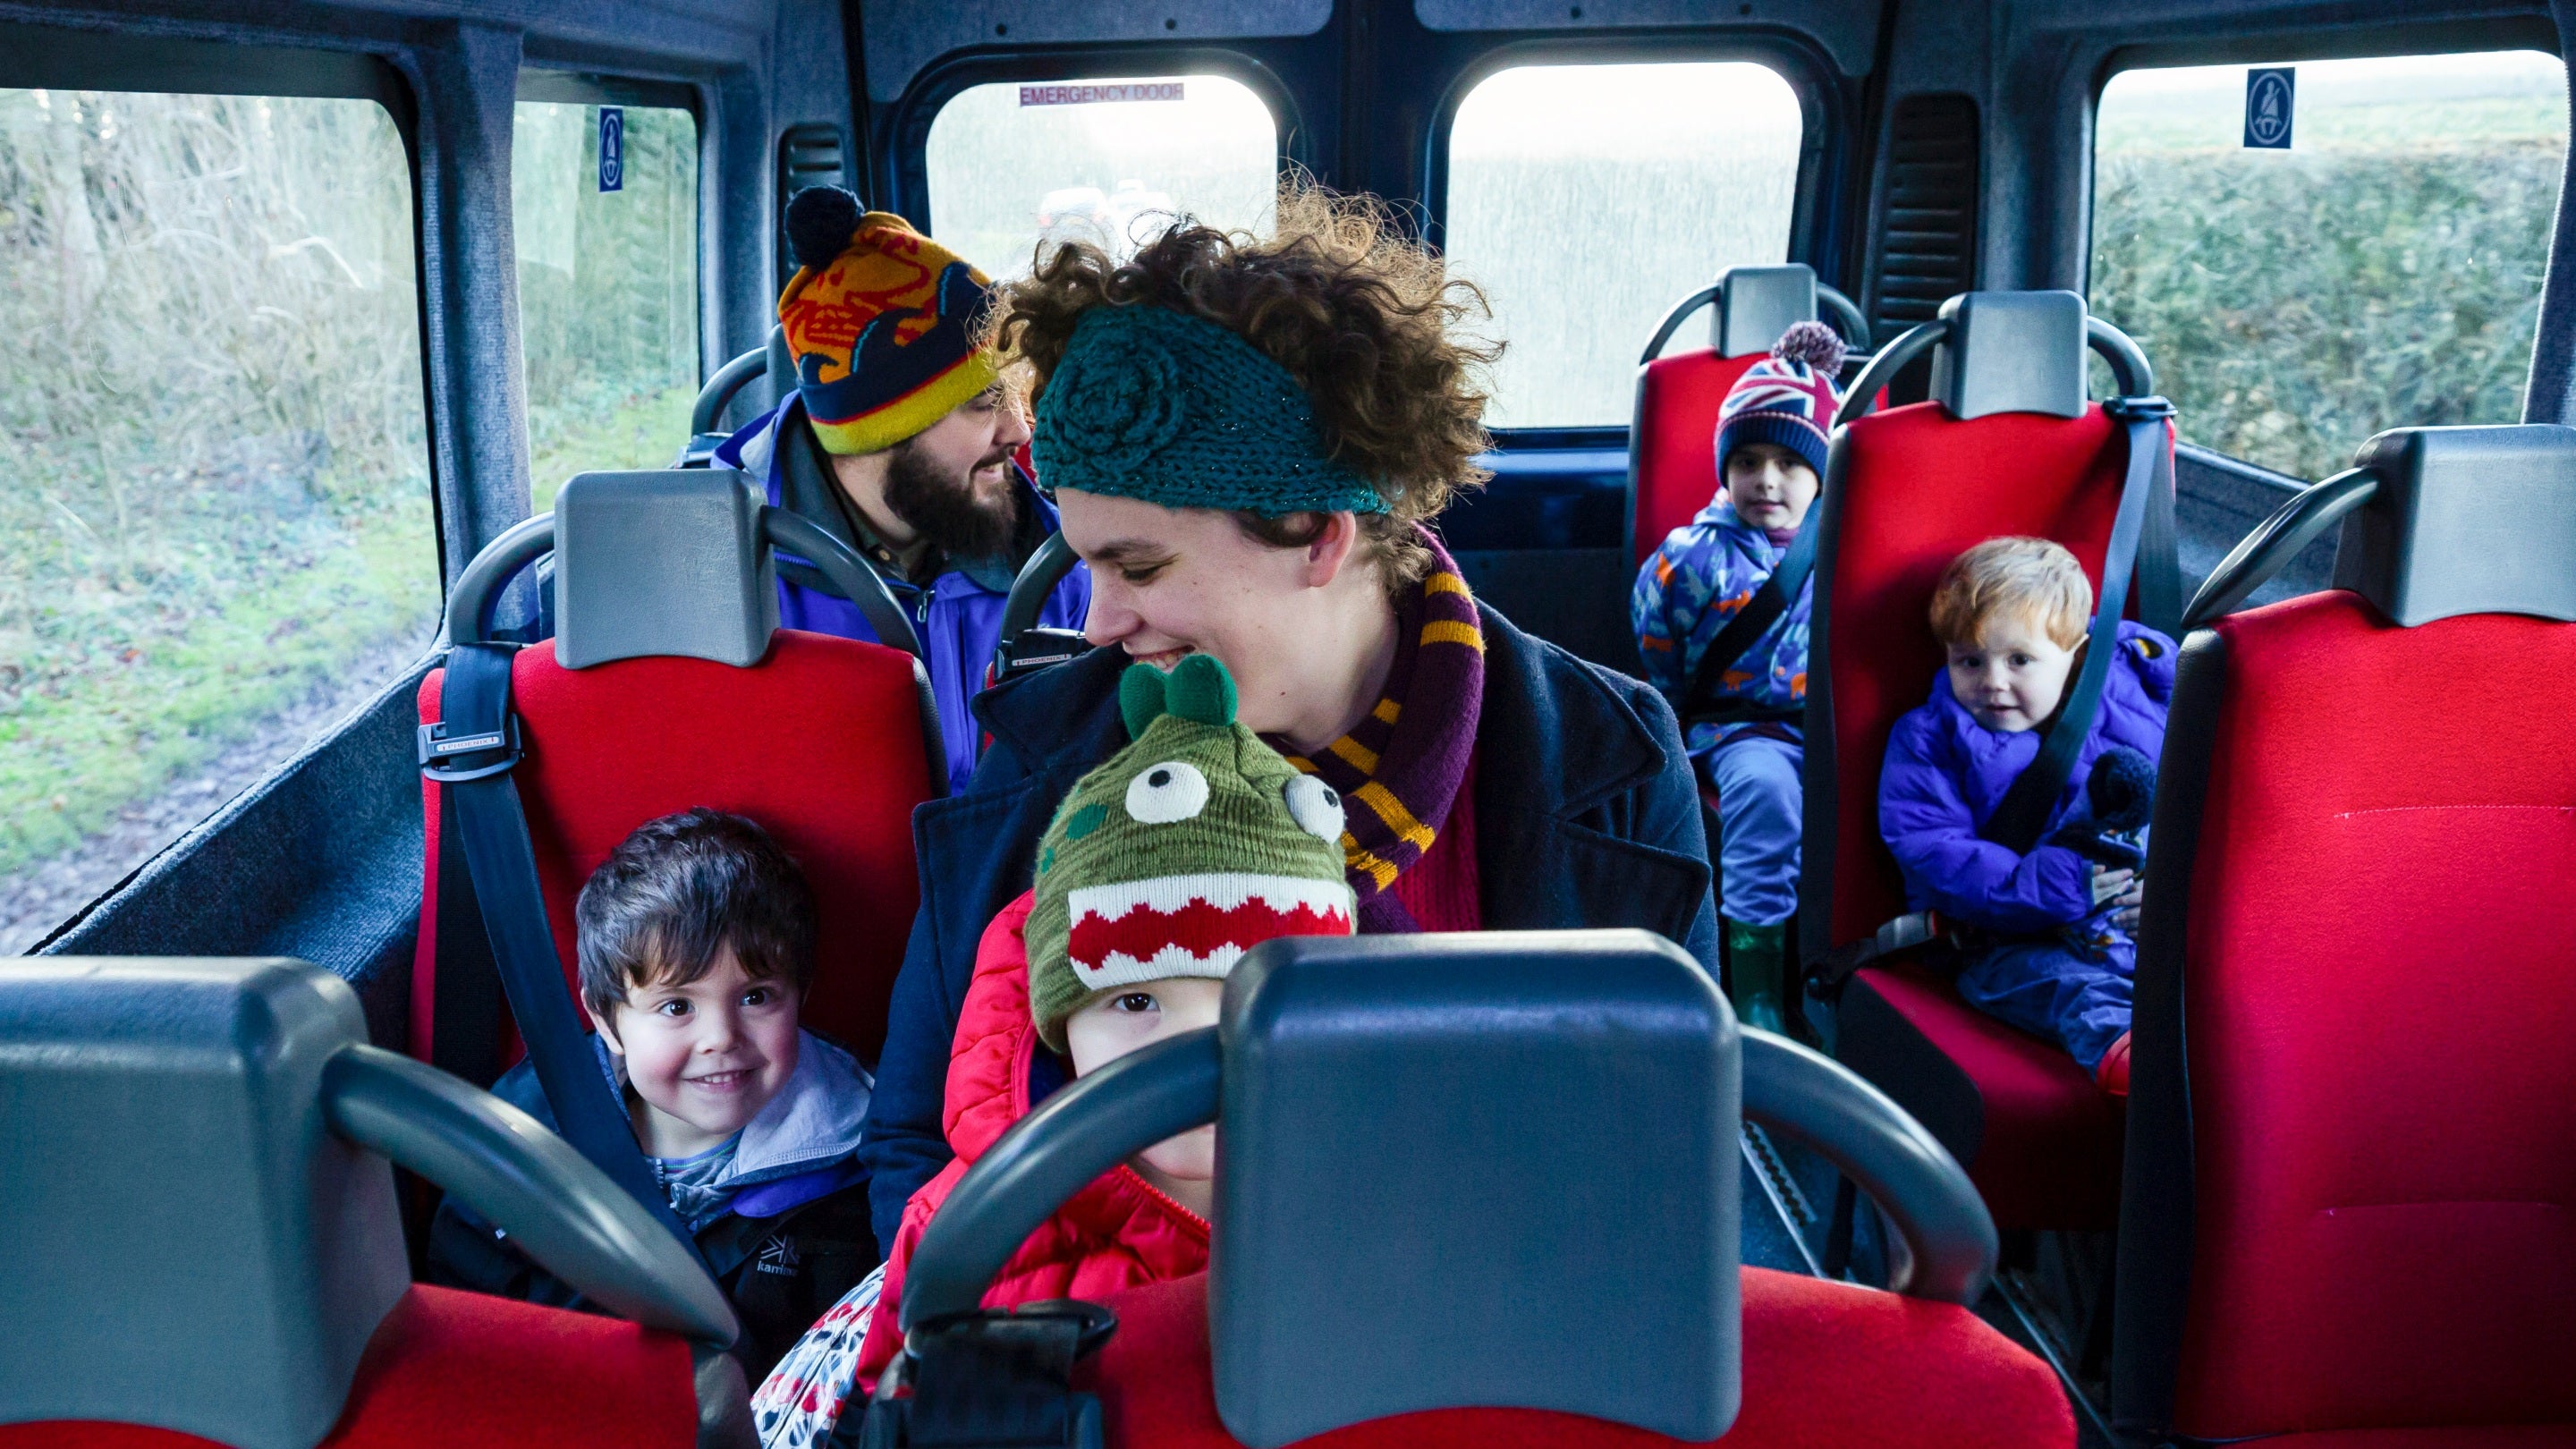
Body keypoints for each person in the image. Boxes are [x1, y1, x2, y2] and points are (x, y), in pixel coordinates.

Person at [852, 188, 1717, 1255]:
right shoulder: (1044, 757)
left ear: (1319, 535)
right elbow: (913, 1143)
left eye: (1140, 566)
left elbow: (1666, 1175)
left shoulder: (1609, 764)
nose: (1100, 625)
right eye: (1085, 567)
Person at [750, 655, 1353, 1447]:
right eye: (1136, 1002)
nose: (1194, 1052)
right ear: (1059, 1026)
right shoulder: (972, 1225)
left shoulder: (1371, 1201)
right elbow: (901, 1403)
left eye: (1244, 997)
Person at [426, 809, 877, 1379]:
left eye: (757, 997)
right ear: (609, 1022)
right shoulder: (524, 1140)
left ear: (801, 996)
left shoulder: (862, 1151)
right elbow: (465, 1318)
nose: (720, 1039)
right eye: (676, 1006)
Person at [714, 186, 1089, 791]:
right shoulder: (723, 569)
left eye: (1015, 396)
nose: (1019, 430)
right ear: (883, 428)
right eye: (982, 404)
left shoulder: (1051, 562)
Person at [1877, 538, 2174, 1094]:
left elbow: (2190, 812)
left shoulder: (2139, 707)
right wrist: (2066, 884)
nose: (1992, 680)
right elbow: (1935, 851)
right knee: (2074, 991)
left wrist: (2167, 888)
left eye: (2019, 660)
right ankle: (2138, 1070)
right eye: (1969, 659)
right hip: (2002, 940)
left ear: (2077, 654)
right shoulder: (1929, 740)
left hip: (2135, 924)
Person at [1630, 321, 1847, 1033]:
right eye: (1748, 460)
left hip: (1832, 725)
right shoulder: (1696, 557)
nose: (1767, 480)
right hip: (1740, 725)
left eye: (1790, 462)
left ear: (1823, 472)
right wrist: (1687, 713)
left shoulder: (1846, 551)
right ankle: (1753, 986)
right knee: (1766, 793)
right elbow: (1658, 641)